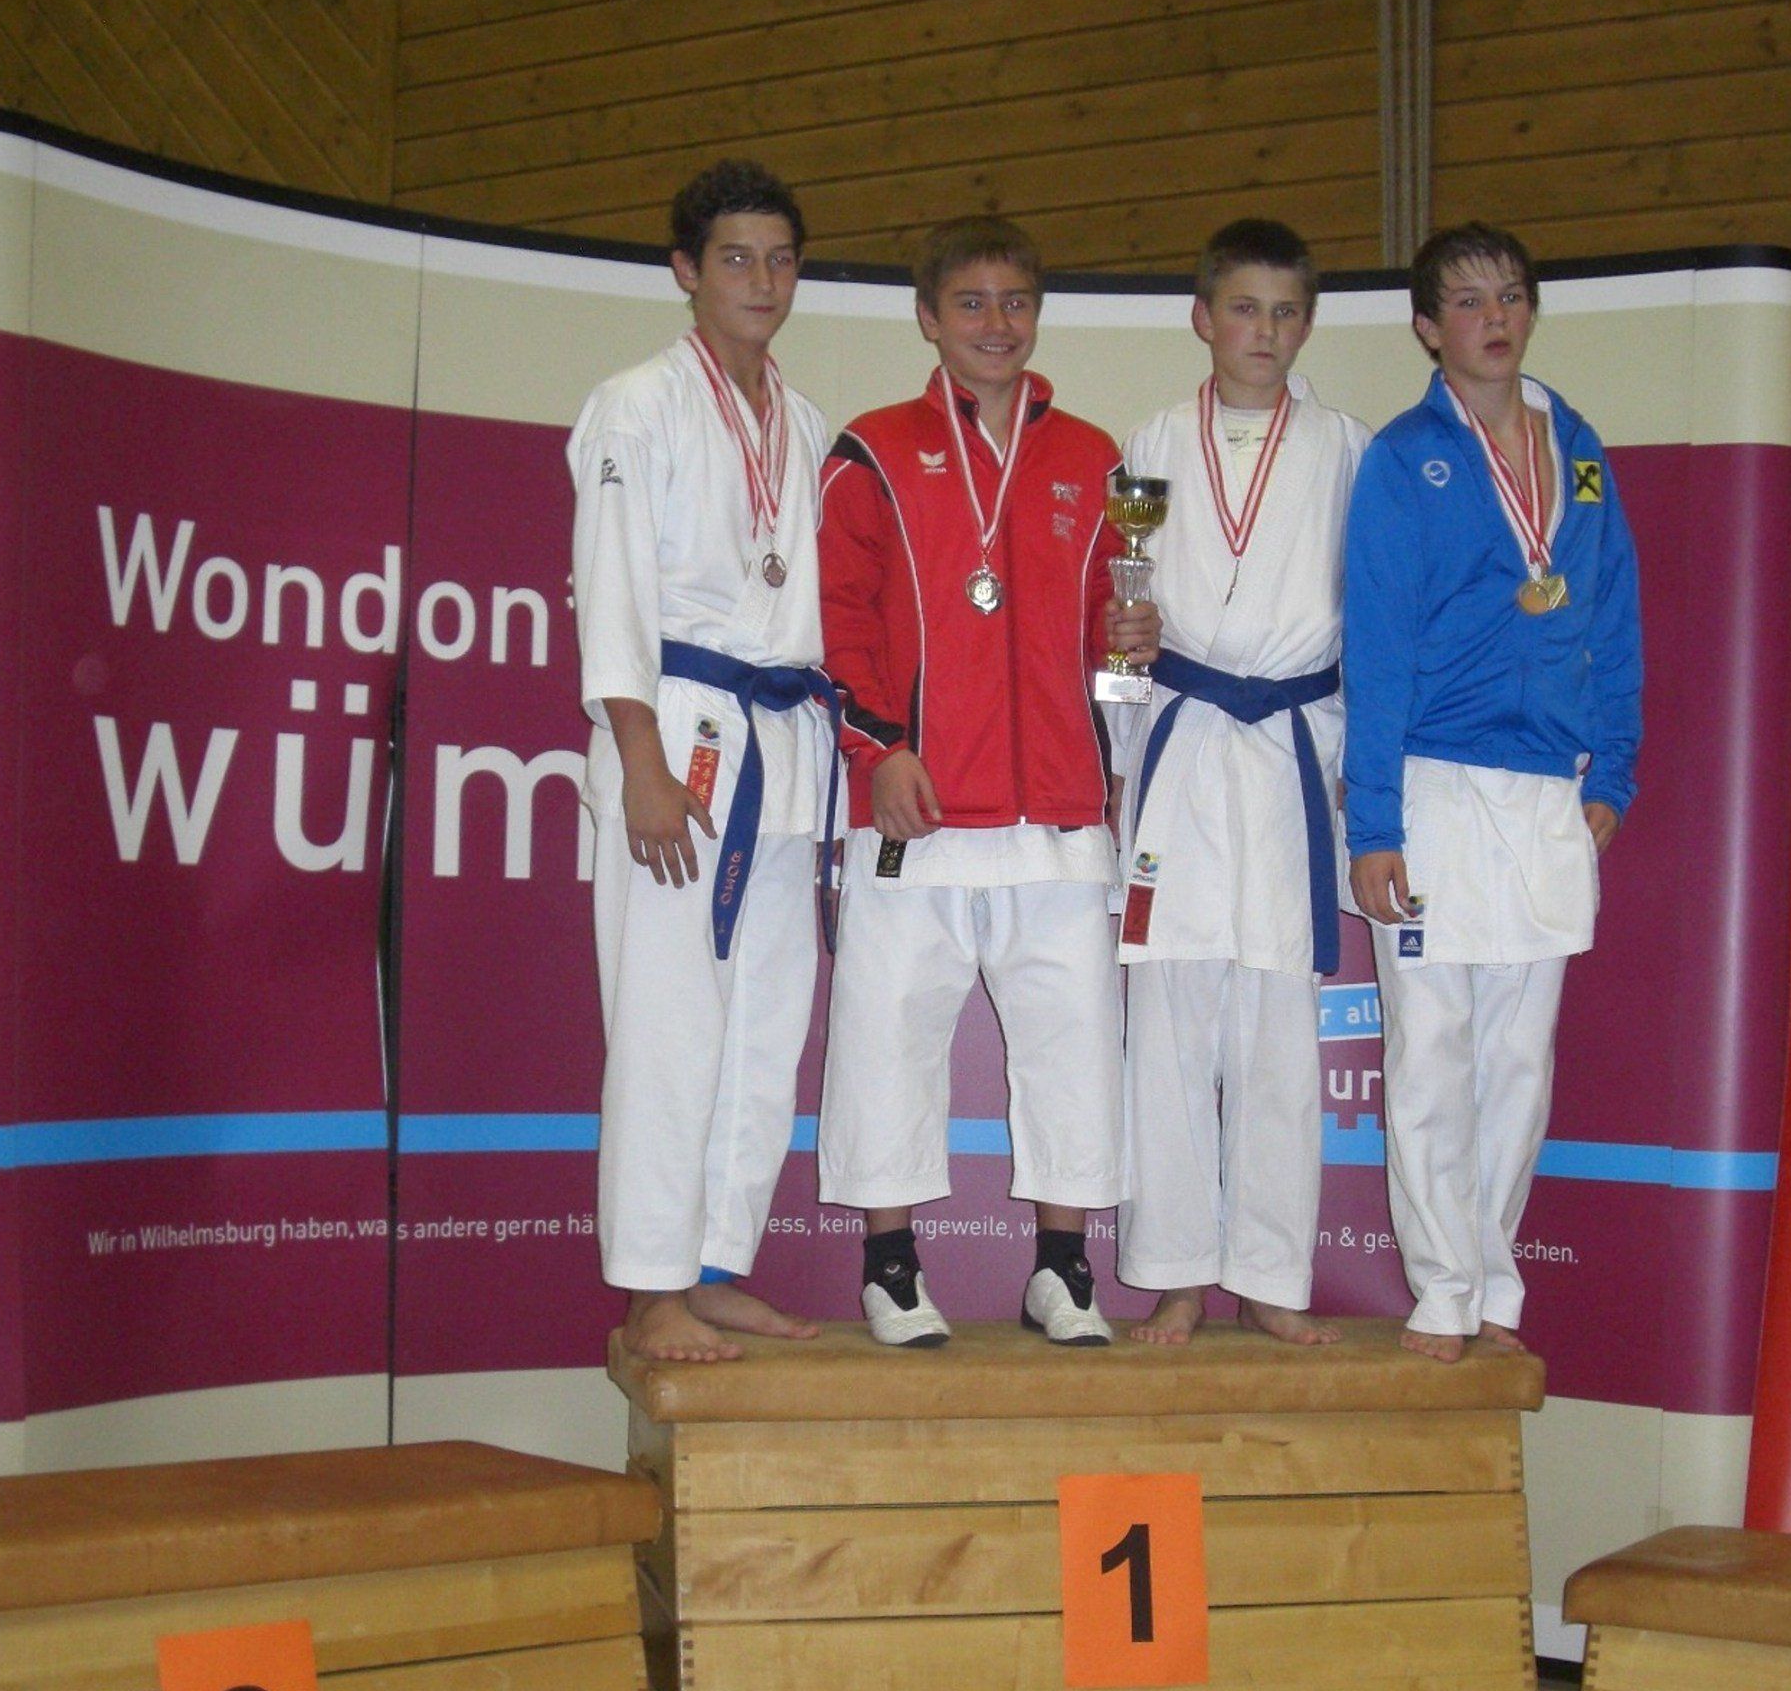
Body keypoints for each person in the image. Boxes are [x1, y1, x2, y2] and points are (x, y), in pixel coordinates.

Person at [816, 215, 1159, 1347]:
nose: (995, 323)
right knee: (888, 1036)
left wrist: (1126, 670)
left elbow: (1110, 640)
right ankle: (890, 1267)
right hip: (914, 803)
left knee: (1074, 1043)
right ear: (928, 317)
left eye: (1015, 301)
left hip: (1056, 810)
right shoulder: (872, 450)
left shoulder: (1094, 461)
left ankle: (1063, 1270)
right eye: (970, 302)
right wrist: (878, 751)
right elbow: (838, 621)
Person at [1341, 222, 1642, 1363]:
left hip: (1547, 787)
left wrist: (1614, 765)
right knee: (1433, 1051)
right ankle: (1441, 1284)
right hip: (1433, 782)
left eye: (1510, 295)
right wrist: (1375, 820)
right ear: (1428, 328)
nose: (1494, 317)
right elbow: (1376, 649)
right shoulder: (1402, 458)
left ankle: (1494, 1276)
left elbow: (1614, 614)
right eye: (1467, 302)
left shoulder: (1580, 450)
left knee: (1520, 1060)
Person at [567, 160, 835, 1365]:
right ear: (686, 270)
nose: (761, 281)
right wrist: (640, 760)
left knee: (764, 1028)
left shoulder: (806, 421)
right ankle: (651, 1286)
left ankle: (715, 1263)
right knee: (668, 1025)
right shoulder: (637, 404)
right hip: (676, 731)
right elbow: (612, 588)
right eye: (735, 259)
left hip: (782, 744)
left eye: (780, 260)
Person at [1113, 219, 1368, 1348]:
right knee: (1168, 1024)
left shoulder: (1349, 449)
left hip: (1292, 749)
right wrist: (1119, 738)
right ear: (1203, 317)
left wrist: (1362, 768)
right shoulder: (1153, 441)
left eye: (1285, 312)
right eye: (1244, 309)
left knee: (1276, 1032)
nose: (1264, 332)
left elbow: (1373, 623)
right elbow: (1125, 609)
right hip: (1179, 745)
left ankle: (1269, 1274)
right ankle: (1174, 1273)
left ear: (1307, 324)